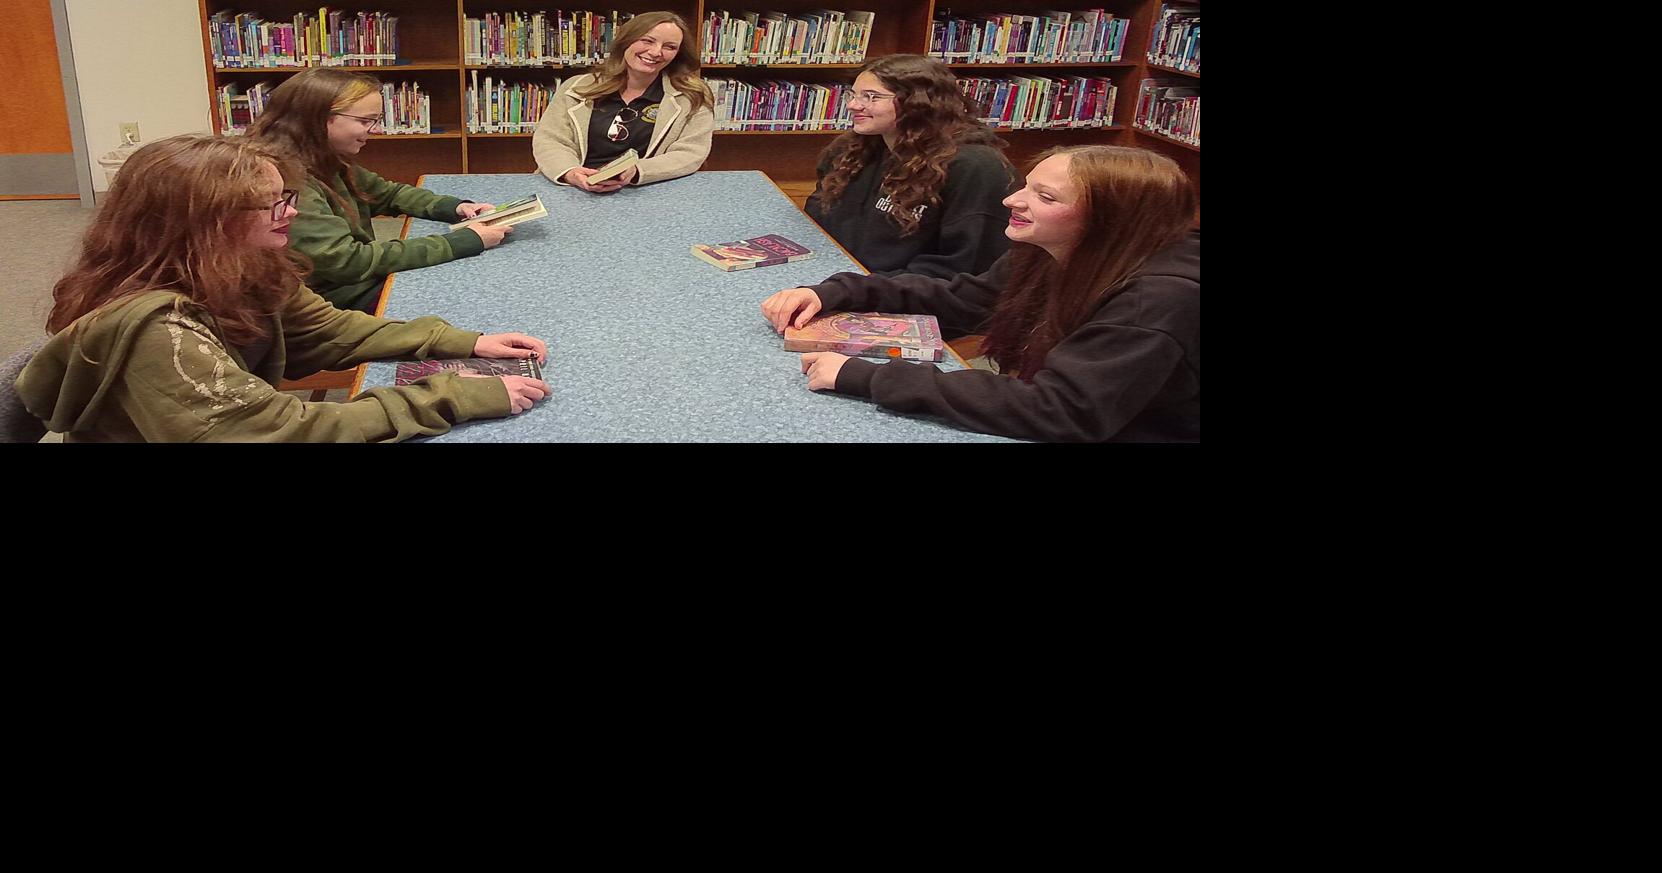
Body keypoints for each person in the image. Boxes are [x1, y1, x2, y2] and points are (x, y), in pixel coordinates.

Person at [16, 135, 550, 442]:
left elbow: (326, 330)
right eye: (273, 203)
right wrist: (452, 395)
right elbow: (281, 434)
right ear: (206, 220)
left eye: (287, 194)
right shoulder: (159, 333)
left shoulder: (242, 262)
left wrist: (463, 342)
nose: (292, 212)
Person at [762, 145, 1199, 442]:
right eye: (1026, 184)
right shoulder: (1054, 249)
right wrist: (839, 290)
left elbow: (1062, 411)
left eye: (1043, 196)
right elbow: (963, 300)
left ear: (1109, 220)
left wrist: (870, 377)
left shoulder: (1155, 301)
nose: (1012, 199)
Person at [247, 67, 511, 312]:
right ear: (320, 119)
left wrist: (454, 207)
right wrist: (460, 242)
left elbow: (387, 193)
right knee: (467, 297)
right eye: (365, 121)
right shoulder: (285, 181)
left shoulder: (322, 156)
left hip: (355, 283)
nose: (374, 130)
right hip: (334, 301)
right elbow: (348, 261)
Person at [804, 54, 1019, 280]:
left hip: (907, 296)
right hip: (846, 280)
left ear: (916, 103)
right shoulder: (851, 149)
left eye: (871, 97)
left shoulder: (976, 168)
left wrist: (857, 289)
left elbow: (964, 267)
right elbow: (818, 215)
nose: (853, 105)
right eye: (854, 95)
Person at [532, 11, 714, 193]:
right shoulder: (577, 87)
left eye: (670, 47)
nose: (656, 52)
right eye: (647, 40)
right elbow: (551, 140)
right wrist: (571, 173)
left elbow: (690, 153)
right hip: (571, 189)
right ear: (626, 41)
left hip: (645, 191)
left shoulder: (693, 96)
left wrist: (638, 171)